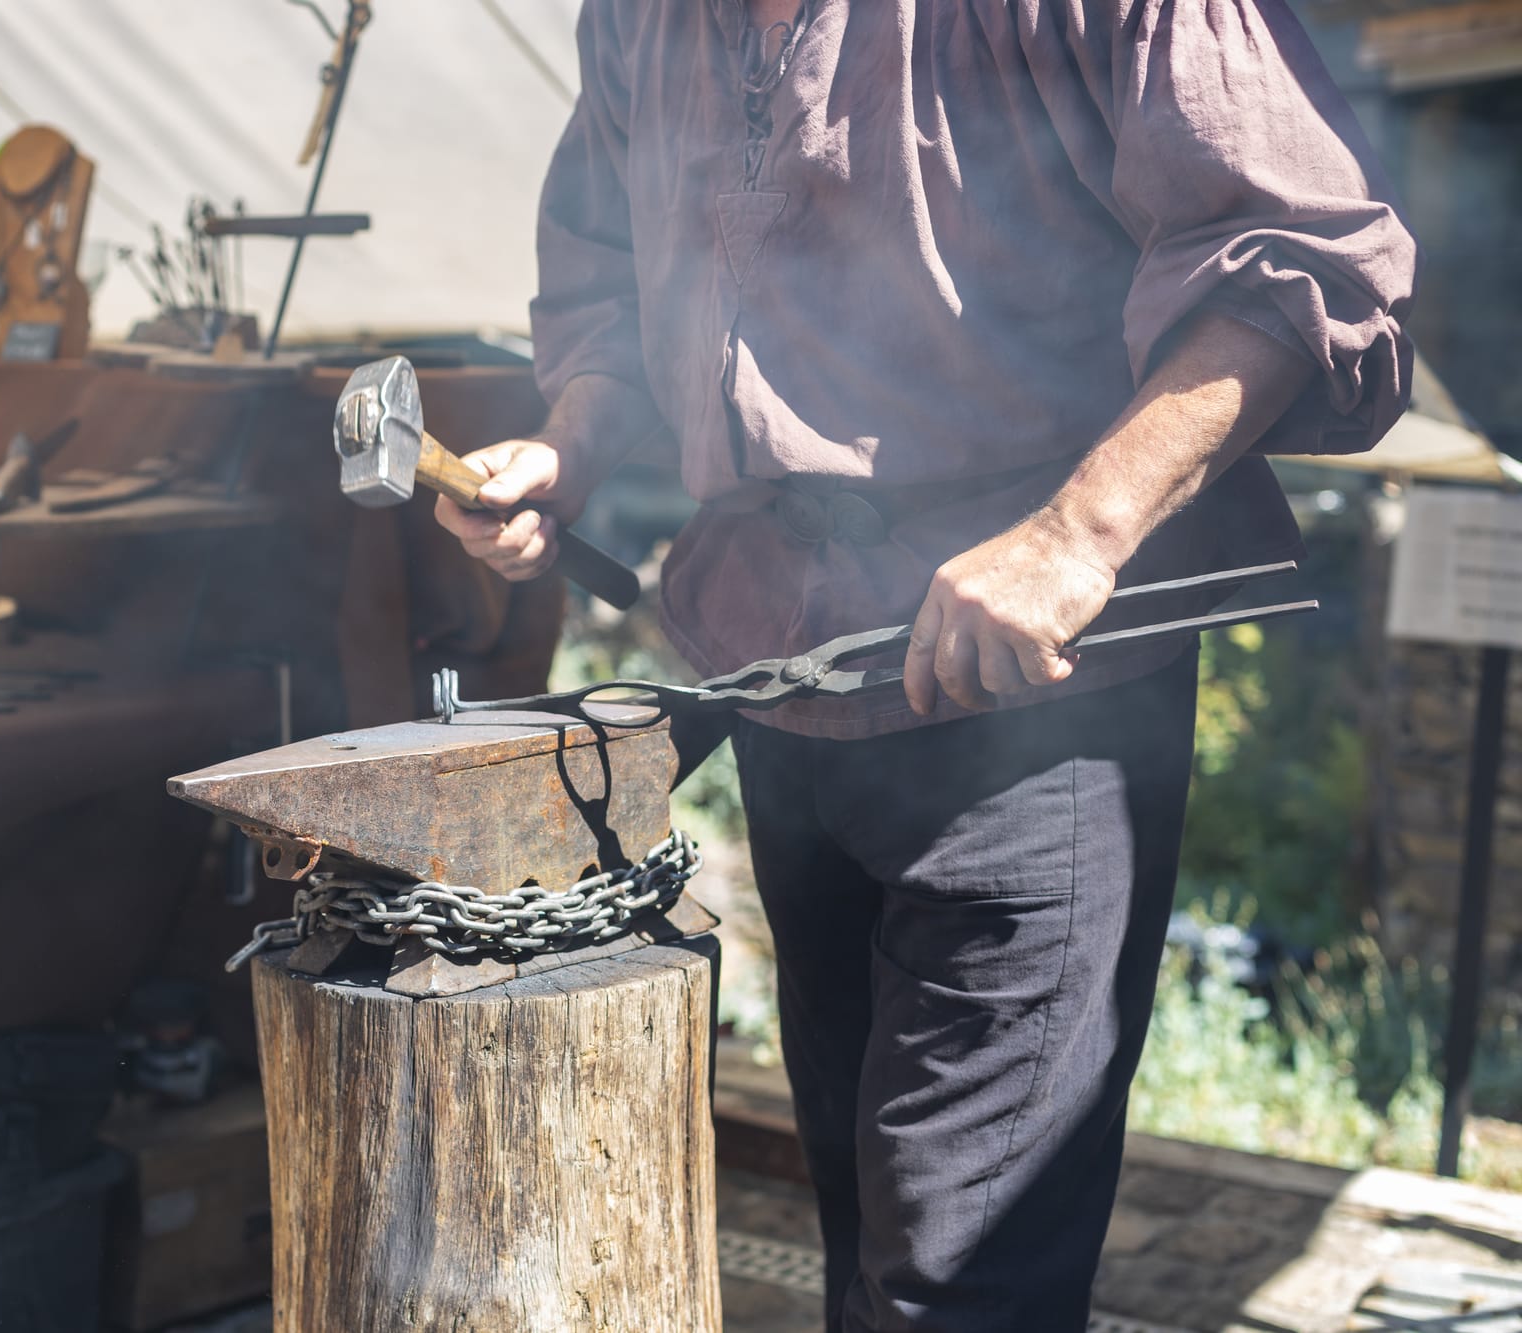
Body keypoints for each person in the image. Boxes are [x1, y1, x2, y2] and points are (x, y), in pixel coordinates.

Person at [433, 0, 1416, 1329]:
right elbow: (607, 274)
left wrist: (1077, 533)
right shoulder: (644, 19)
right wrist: (572, 443)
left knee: (957, 1279)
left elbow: (1306, 259)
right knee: (862, 1211)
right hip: (789, 683)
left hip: (1037, 707)